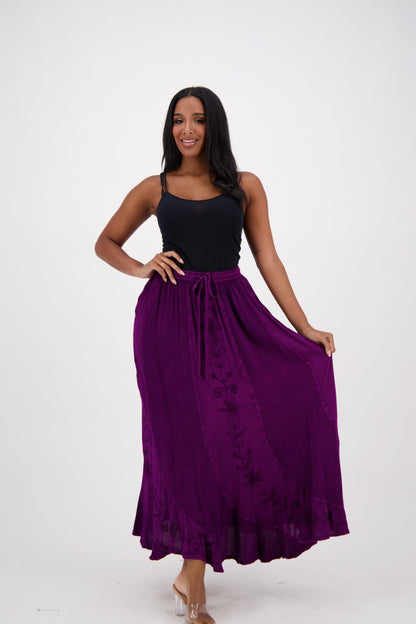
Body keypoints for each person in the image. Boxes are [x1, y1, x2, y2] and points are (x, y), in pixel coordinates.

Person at [94, 86, 349, 624]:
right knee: (186, 443)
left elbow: (267, 257)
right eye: (178, 120)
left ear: (214, 126)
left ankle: (191, 571)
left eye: (198, 119)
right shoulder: (155, 187)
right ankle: (194, 576)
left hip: (232, 314)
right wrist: (142, 267)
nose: (186, 129)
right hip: (167, 322)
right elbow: (106, 242)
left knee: (230, 432)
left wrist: (303, 327)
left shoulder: (245, 186)